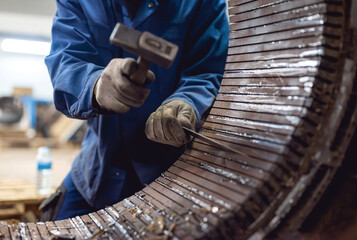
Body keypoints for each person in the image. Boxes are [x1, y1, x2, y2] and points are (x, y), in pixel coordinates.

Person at [40, 0, 229, 221]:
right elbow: (67, 61)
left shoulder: (201, 3)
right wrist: (97, 85)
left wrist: (187, 102)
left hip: (170, 177)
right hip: (96, 171)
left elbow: (207, 71)